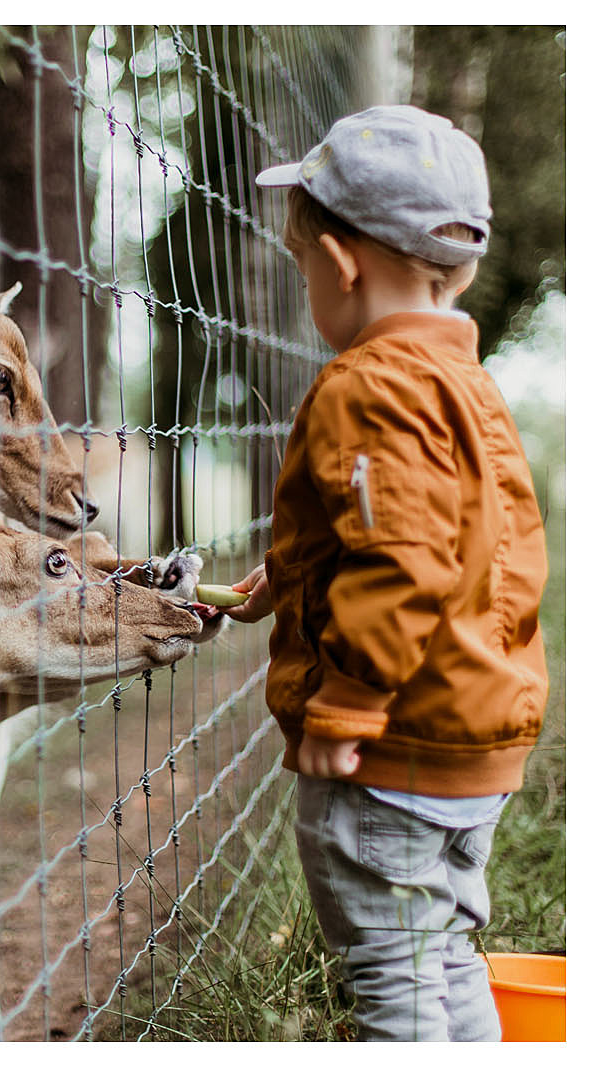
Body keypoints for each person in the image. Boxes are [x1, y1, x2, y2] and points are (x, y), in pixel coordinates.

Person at [224, 105, 548, 1041]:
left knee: (392, 981)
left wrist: (350, 699)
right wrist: (289, 581)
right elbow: (460, 546)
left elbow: (402, 558)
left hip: (389, 751)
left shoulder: (366, 385)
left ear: (342, 264)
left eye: (302, 267)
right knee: (443, 959)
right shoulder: (466, 385)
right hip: (469, 741)